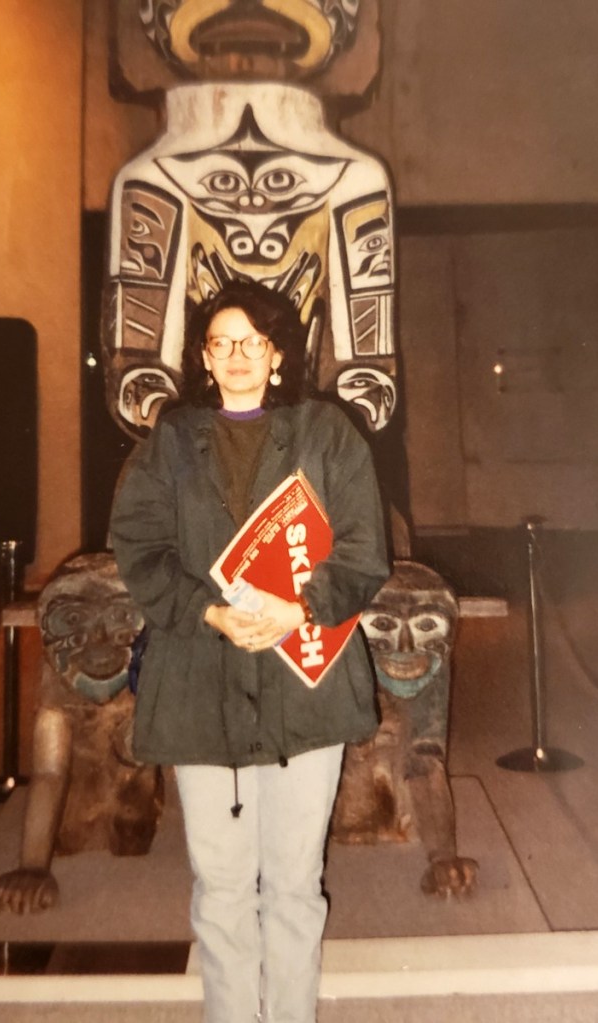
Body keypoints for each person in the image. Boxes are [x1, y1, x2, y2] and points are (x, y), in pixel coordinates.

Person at [109, 279, 389, 1023]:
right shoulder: (169, 442)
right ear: (202, 357)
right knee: (223, 886)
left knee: (295, 884)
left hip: (308, 681)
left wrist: (303, 606)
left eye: (251, 343)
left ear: (276, 354)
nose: (235, 356)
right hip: (201, 678)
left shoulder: (326, 434)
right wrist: (207, 611)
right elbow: (139, 548)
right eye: (219, 343)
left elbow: (363, 550)